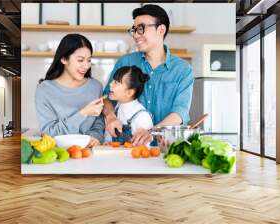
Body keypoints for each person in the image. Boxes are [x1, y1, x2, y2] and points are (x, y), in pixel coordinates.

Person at [103, 4, 194, 146]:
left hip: (167, 148)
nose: (135, 35)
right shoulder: (125, 62)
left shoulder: (183, 70)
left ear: (161, 29)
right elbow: (107, 98)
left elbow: (179, 112)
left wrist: (151, 131)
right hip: (128, 150)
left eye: (140, 29)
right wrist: (110, 117)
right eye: (134, 30)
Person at [35, 33, 104, 147]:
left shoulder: (95, 87)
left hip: (88, 152)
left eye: (88, 60)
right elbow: (48, 133)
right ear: (63, 59)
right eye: (80, 60)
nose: (86, 66)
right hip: (57, 153)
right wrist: (83, 113)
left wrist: (95, 136)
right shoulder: (44, 90)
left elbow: (99, 121)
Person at [105, 65, 153, 144]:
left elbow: (144, 149)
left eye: (116, 83)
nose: (110, 84)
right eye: (113, 81)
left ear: (129, 92)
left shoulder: (142, 116)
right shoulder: (118, 106)